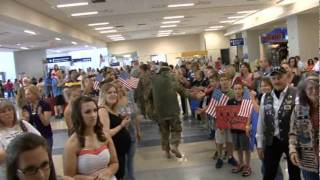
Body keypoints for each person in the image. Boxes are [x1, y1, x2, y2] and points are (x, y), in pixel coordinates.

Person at [150, 62, 204, 159]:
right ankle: (174, 145)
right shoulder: (172, 78)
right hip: (173, 110)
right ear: (169, 69)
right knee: (176, 129)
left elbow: (148, 96)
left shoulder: (153, 79)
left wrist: (151, 109)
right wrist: (196, 96)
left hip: (160, 112)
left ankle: (167, 152)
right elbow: (182, 91)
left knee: (164, 132)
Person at [256, 66, 301, 180]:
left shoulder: (296, 93)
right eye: (274, 78)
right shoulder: (265, 97)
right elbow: (261, 121)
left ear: (286, 76)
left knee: (294, 173)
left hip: (292, 140)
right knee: (269, 173)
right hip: (273, 139)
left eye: (279, 77)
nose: (276, 81)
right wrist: (260, 143)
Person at [63, 96, 119, 180]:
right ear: (78, 115)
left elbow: (114, 163)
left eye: (95, 110)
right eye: (87, 112)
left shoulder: (104, 136)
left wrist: (108, 173)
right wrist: (90, 179)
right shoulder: (72, 143)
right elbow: (69, 176)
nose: (93, 115)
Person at [0, 100, 40, 179]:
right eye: (3, 111)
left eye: (9, 110)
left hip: (31, 167)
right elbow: (1, 155)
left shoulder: (23, 124)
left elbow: (39, 139)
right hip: (11, 172)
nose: (7, 113)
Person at [98, 83, 131, 179]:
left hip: (120, 151)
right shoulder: (103, 110)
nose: (113, 94)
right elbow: (106, 133)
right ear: (104, 95)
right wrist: (121, 125)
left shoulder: (112, 109)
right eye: (109, 92)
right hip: (114, 151)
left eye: (115, 92)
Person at [289, 76, 319, 180]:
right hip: (307, 160)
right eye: (310, 88)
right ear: (304, 91)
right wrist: (292, 150)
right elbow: (293, 132)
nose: (314, 91)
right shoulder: (298, 109)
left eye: (317, 88)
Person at [227, 82, 252, 177]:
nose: (237, 91)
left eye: (239, 89)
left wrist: (248, 125)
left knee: (246, 148)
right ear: (233, 90)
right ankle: (241, 163)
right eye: (236, 89)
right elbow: (227, 115)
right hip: (234, 129)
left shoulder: (246, 101)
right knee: (237, 147)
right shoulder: (230, 101)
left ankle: (248, 165)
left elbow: (250, 114)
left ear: (242, 90)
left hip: (244, 129)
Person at [214, 73, 238, 169]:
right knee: (219, 141)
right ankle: (219, 157)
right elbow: (213, 108)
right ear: (220, 82)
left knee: (230, 140)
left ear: (230, 81)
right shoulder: (217, 93)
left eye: (226, 80)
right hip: (220, 122)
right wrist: (219, 124)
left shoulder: (233, 93)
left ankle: (230, 156)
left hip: (231, 121)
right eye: (222, 80)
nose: (224, 82)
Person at [23, 85, 53, 153]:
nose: (26, 96)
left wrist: (40, 114)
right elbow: (26, 125)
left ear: (35, 94)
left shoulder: (44, 104)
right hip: (33, 138)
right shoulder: (27, 107)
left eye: (28, 94)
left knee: (47, 158)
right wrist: (26, 118)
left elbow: (46, 123)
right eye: (26, 94)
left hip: (45, 136)